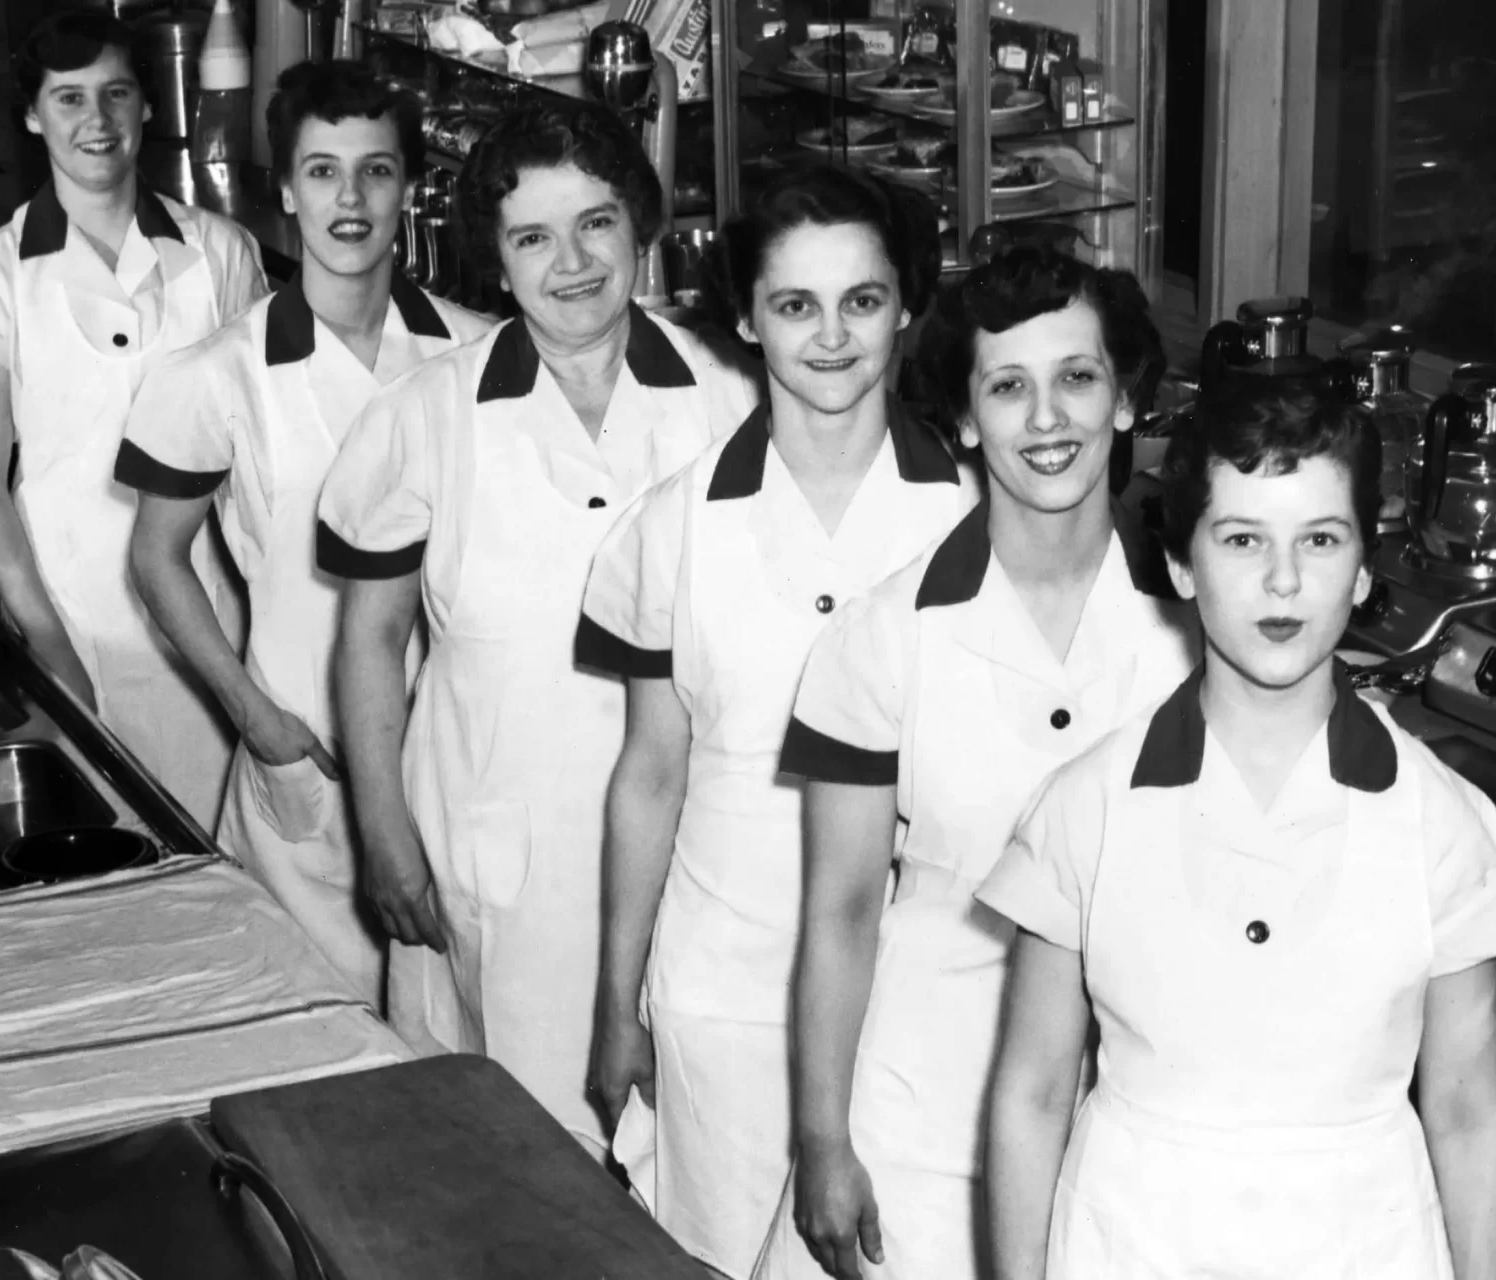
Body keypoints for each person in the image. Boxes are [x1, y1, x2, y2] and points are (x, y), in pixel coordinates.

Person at [978, 383, 1496, 1280]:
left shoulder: (1437, 821)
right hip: (1132, 1246)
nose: (1283, 581)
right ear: (1178, 565)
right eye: (1241, 539)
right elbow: (1034, 1091)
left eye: (1319, 540)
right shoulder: (1085, 806)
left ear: (1361, 571)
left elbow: (1469, 1110)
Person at [314, 99, 760, 1155]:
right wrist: (382, 830)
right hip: (492, 857)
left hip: (695, 854)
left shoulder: (733, 403)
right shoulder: (425, 414)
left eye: (595, 223)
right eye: (531, 236)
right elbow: (369, 640)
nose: (570, 262)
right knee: (502, 1162)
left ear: (638, 227)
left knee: (685, 1157)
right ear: (494, 258)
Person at [752, 245, 1199, 1280]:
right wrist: (821, 1139)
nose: (1045, 419)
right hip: (918, 1122)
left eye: (1075, 378)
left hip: (1125, 1119)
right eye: (1006, 386)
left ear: (1125, 400)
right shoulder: (884, 635)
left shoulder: (1192, 638)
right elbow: (840, 910)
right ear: (962, 418)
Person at [576, 165, 974, 1277]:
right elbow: (649, 777)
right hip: (724, 993)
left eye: (861, 299)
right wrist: (616, 1005)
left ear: (906, 307)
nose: (832, 336)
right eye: (795, 304)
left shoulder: (967, 525)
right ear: (746, 318)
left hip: (914, 1010)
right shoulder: (676, 525)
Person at [115, 61, 492, 1003]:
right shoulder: (218, 376)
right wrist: (259, 721)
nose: (350, 197)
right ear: (285, 190)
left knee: (451, 1058)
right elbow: (157, 562)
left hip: (451, 762)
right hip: (304, 764)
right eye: (322, 171)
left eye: (375, 169)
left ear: (410, 186)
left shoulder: (474, 353)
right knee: (308, 1053)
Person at [0, 11, 265, 828]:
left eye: (116, 93)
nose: (98, 120)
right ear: (34, 116)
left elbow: (263, 455)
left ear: (148, 106)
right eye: (69, 99)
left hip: (215, 623)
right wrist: (48, 643)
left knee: (230, 863)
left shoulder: (220, 252)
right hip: (72, 620)